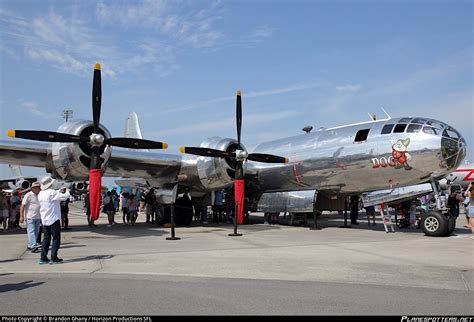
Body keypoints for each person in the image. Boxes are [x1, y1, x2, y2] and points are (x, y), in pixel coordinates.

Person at [37, 176, 71, 264]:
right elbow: (64, 197)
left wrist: (59, 191)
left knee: (46, 239)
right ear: (51, 184)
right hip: (54, 219)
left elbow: (52, 195)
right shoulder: (52, 193)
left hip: (45, 219)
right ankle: (54, 257)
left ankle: (43, 257)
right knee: (56, 238)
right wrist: (67, 192)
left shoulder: (41, 194)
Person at [20, 182, 42, 252]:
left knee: (36, 232)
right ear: (33, 188)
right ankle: (33, 246)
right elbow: (22, 205)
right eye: (36, 188)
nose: (38, 189)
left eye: (39, 188)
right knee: (31, 231)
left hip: (38, 217)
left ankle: (30, 244)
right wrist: (21, 216)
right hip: (30, 217)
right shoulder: (28, 195)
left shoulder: (40, 195)